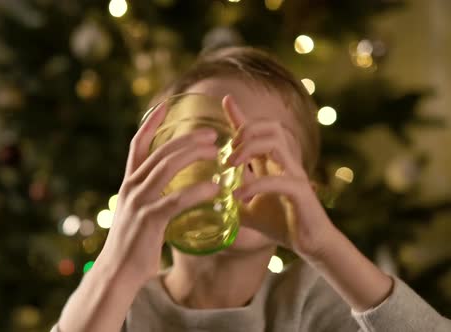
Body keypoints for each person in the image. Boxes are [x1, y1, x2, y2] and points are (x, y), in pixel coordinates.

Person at [53, 47, 450, 332]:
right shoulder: (115, 305)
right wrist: (116, 268)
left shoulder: (317, 303)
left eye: (265, 147)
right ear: (157, 173)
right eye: (207, 138)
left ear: (305, 193)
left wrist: (324, 244)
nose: (233, 161)